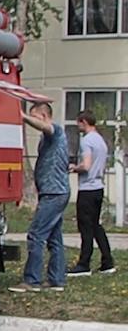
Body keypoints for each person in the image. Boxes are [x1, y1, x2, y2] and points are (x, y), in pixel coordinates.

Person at [10, 101, 70, 292]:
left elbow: (45, 126)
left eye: (35, 116)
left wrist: (23, 117)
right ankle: (56, 280)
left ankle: (32, 280)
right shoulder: (46, 139)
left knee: (36, 235)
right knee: (54, 238)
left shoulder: (55, 131)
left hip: (55, 193)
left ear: (44, 116)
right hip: (51, 192)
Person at [68, 110, 116, 276]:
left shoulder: (87, 141)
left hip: (87, 188)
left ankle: (84, 263)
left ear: (84, 122)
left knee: (85, 226)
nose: (78, 127)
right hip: (98, 187)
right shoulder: (101, 141)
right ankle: (107, 261)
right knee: (95, 225)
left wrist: (75, 167)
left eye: (78, 123)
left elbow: (86, 165)